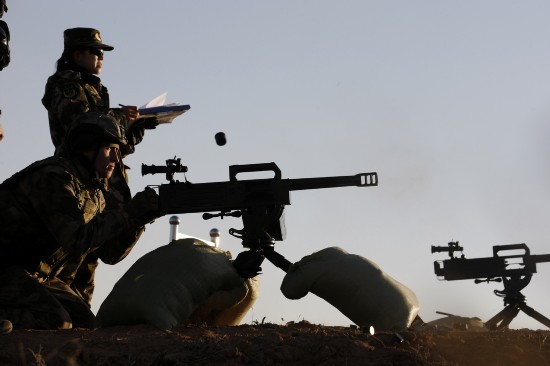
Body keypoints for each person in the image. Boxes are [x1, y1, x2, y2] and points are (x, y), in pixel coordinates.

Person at [0, 112, 162, 330]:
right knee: (57, 321)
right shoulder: (54, 177)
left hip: (36, 275)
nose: (116, 160)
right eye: (110, 150)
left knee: (85, 325)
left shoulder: (93, 190)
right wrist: (127, 213)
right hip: (6, 268)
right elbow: (77, 240)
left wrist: (137, 221)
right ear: (87, 148)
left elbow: (110, 254)